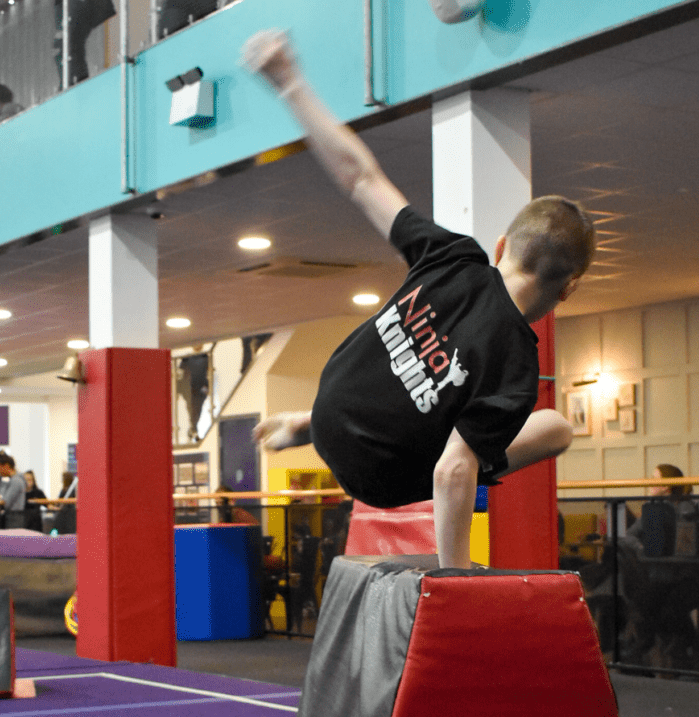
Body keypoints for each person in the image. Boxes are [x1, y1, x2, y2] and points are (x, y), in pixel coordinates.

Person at [243, 30, 593, 570]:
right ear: (569, 289)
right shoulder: (516, 367)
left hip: (332, 407)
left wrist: (289, 82)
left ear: (501, 244)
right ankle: (303, 423)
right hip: (376, 477)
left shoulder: (453, 254)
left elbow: (359, 177)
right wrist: (453, 578)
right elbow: (453, 471)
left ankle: (304, 423)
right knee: (556, 431)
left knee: (496, 416)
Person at [619, 464, 699, 668]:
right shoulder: (653, 509)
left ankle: (664, 648)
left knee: (662, 605)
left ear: (667, 485)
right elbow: (629, 537)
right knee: (647, 602)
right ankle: (686, 650)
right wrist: (643, 548)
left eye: (654, 478)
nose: (650, 482)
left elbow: (688, 547)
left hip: (687, 579)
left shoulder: (686, 508)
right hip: (661, 578)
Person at [0, 452, 28, 529]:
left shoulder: (16, 481)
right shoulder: (11, 480)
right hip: (12, 517)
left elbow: (5, 503)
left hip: (14, 518)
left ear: (6, 466)